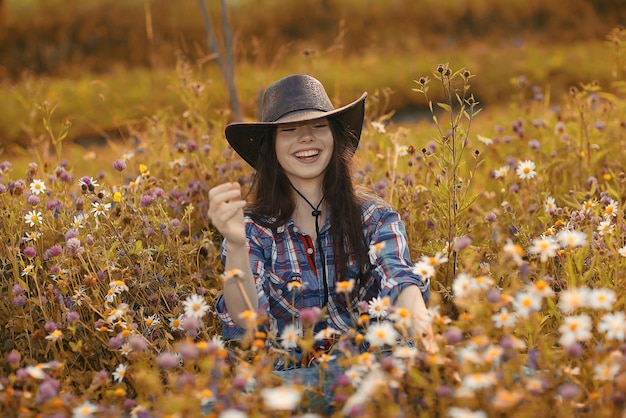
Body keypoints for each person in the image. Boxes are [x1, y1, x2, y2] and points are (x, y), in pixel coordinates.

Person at [208, 74, 434, 375]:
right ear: (271, 146)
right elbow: (248, 317)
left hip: (370, 368)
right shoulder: (254, 228)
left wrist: (430, 346)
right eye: (289, 130)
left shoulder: (374, 217)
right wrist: (236, 244)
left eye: (318, 126)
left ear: (335, 137)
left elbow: (401, 282)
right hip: (290, 377)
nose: (306, 138)